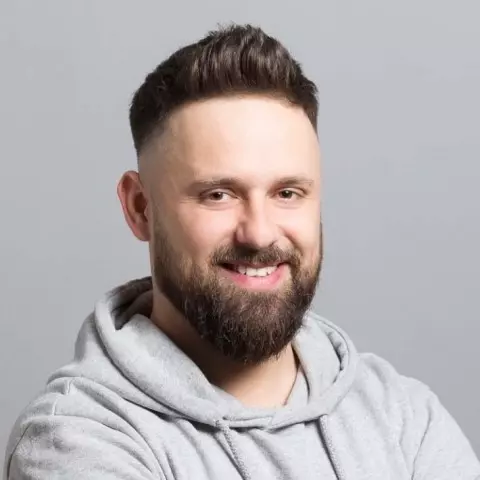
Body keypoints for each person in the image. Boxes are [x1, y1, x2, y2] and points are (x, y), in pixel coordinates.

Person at [4, 24, 479, 480]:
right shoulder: (76, 441)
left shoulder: (403, 416)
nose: (259, 234)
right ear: (140, 208)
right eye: (218, 194)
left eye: (287, 193)